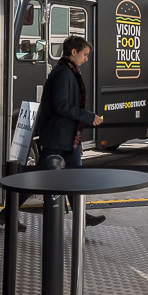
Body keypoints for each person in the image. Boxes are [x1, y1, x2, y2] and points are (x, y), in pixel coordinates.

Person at [35, 35, 106, 227]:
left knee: (73, 175)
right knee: (41, 176)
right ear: (73, 52)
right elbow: (62, 105)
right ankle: (7, 213)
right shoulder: (64, 73)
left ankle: (81, 216)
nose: (86, 59)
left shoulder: (67, 71)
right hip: (59, 136)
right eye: (84, 54)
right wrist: (88, 116)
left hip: (67, 136)